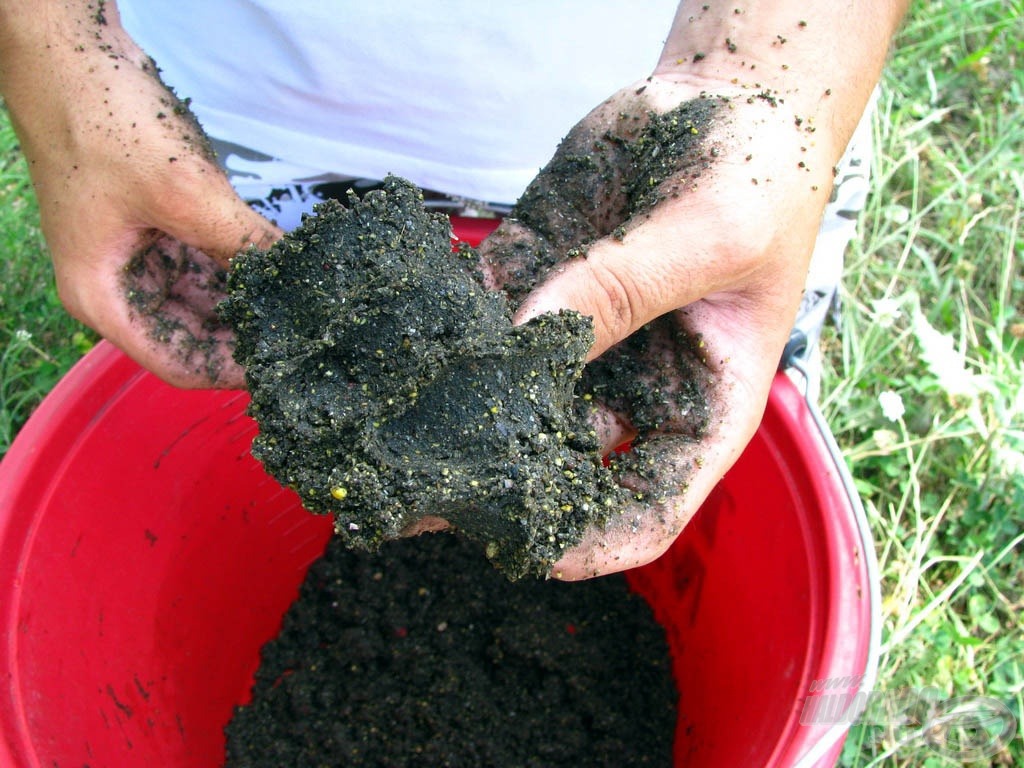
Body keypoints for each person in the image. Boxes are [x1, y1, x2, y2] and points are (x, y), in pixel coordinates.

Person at [0, 1, 908, 579]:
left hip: (700, 155)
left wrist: (756, 77)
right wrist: (59, 62)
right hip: (198, 119)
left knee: (691, 406)